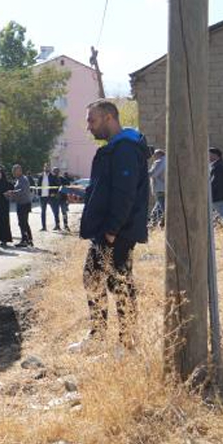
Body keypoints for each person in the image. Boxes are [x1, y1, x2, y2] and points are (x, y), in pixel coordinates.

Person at [78, 100, 150, 346]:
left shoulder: (126, 149)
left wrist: (111, 230)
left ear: (109, 117)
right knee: (93, 278)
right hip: (108, 230)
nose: (88, 127)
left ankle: (127, 342)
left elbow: (125, 193)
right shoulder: (116, 148)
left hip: (118, 231)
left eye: (92, 120)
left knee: (119, 283)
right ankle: (98, 336)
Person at [7, 164, 34, 247]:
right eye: (13, 171)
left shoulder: (23, 179)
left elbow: (22, 191)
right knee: (23, 223)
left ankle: (25, 240)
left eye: (14, 170)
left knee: (23, 223)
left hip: (24, 204)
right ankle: (28, 240)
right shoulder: (19, 179)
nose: (13, 172)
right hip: (21, 203)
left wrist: (12, 192)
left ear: (19, 171)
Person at [148, 149, 166, 227]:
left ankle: (155, 223)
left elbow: (153, 174)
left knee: (163, 208)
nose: (153, 157)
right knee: (159, 207)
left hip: (160, 188)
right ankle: (154, 223)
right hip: (165, 188)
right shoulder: (166, 161)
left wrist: (143, 172)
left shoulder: (159, 162)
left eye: (154, 155)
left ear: (159, 155)